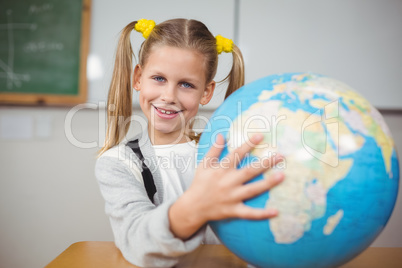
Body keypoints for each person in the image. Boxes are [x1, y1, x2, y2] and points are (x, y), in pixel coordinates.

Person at [95, 18, 284, 267]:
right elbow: (136, 240)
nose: (169, 96)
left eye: (186, 84)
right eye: (159, 78)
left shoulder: (231, 155)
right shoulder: (117, 163)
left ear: (206, 92)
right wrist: (197, 206)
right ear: (139, 77)